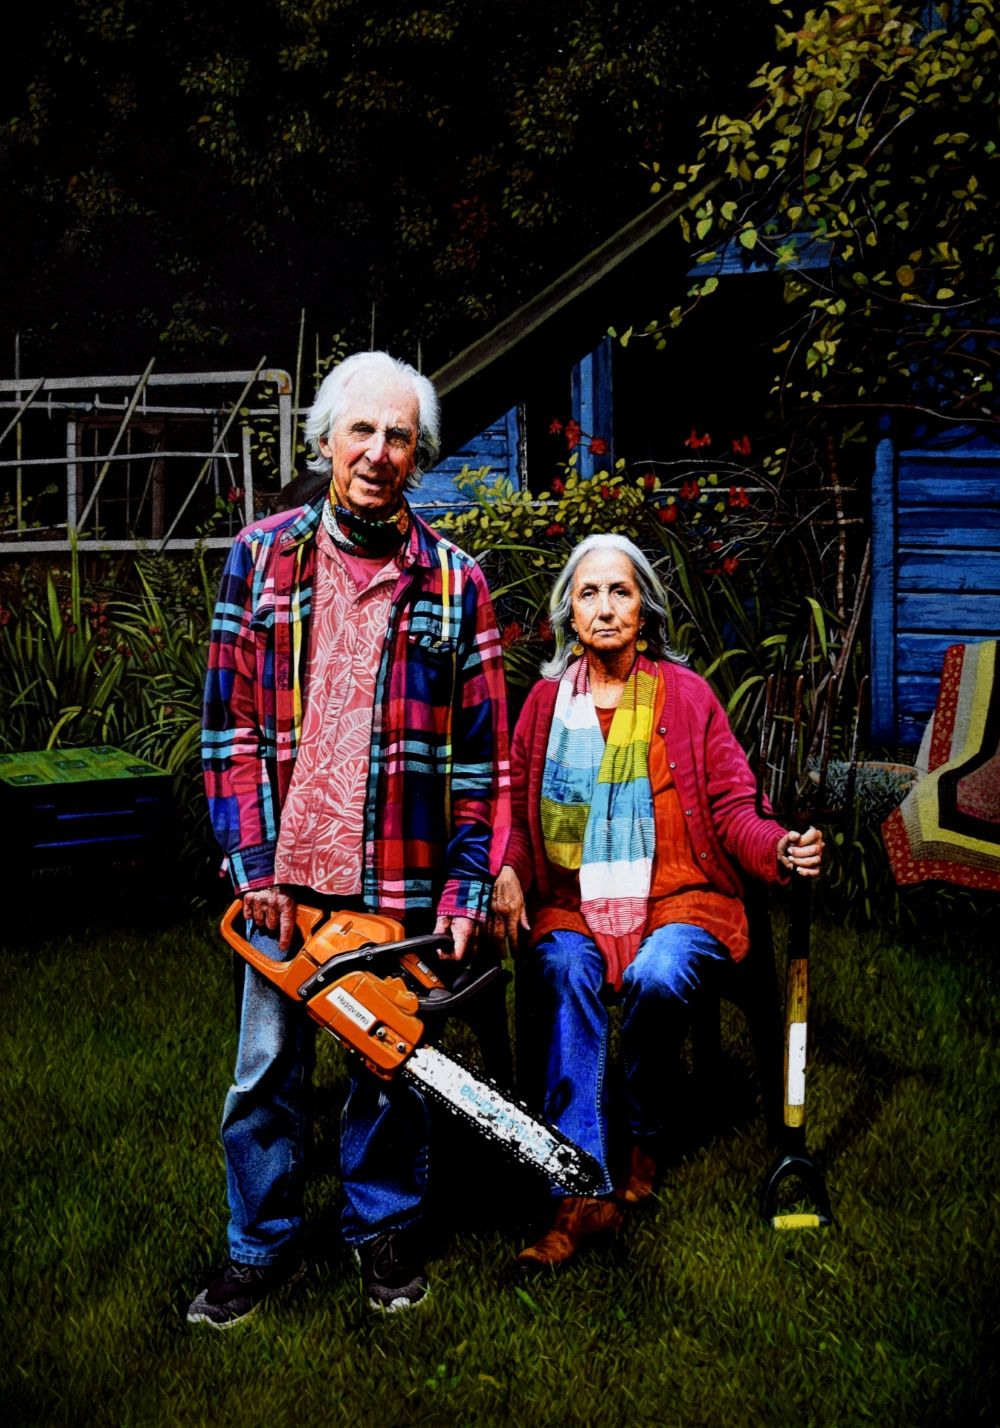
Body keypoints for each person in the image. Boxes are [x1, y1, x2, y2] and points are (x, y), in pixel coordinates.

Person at [188, 350, 510, 1326]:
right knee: (264, 1076)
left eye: (397, 436)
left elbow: (481, 763)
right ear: (325, 440)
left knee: (389, 1070)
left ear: (419, 456)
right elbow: (229, 731)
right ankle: (258, 1244)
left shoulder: (456, 584)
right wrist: (254, 866)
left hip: (398, 880)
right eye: (360, 430)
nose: (376, 452)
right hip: (283, 884)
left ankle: (382, 1230)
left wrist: (463, 892)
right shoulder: (262, 556)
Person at [490, 533, 823, 1273]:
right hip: (573, 907)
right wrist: (508, 870)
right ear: (569, 615)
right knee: (565, 971)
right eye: (589, 594)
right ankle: (577, 1194)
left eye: (621, 592)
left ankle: (643, 1131)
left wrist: (777, 849)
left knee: (659, 974)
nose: (605, 608)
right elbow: (515, 818)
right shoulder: (544, 707)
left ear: (646, 610)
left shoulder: (688, 695)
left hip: (682, 898)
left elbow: (733, 806)